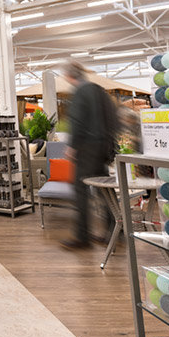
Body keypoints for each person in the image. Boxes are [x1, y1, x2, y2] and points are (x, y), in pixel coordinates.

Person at [61, 60, 120, 251]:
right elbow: (114, 119)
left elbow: (77, 121)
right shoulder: (100, 91)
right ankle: (115, 231)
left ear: (69, 75)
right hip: (104, 146)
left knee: (81, 190)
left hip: (86, 147)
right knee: (104, 189)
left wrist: (72, 147)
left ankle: (82, 237)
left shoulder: (80, 92)